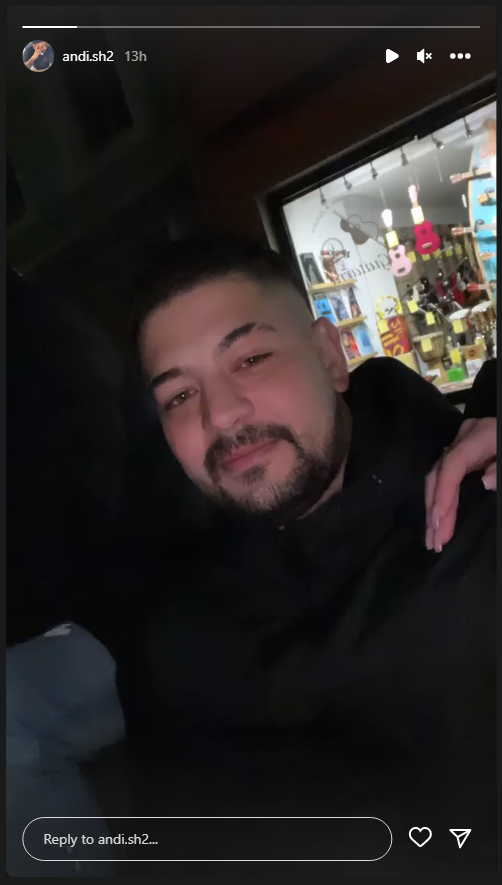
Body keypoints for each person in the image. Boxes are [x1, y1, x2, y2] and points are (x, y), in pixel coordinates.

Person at [130, 235, 496, 866]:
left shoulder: (479, 507)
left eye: (250, 359)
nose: (221, 415)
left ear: (329, 355)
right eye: (180, 396)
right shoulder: (181, 634)